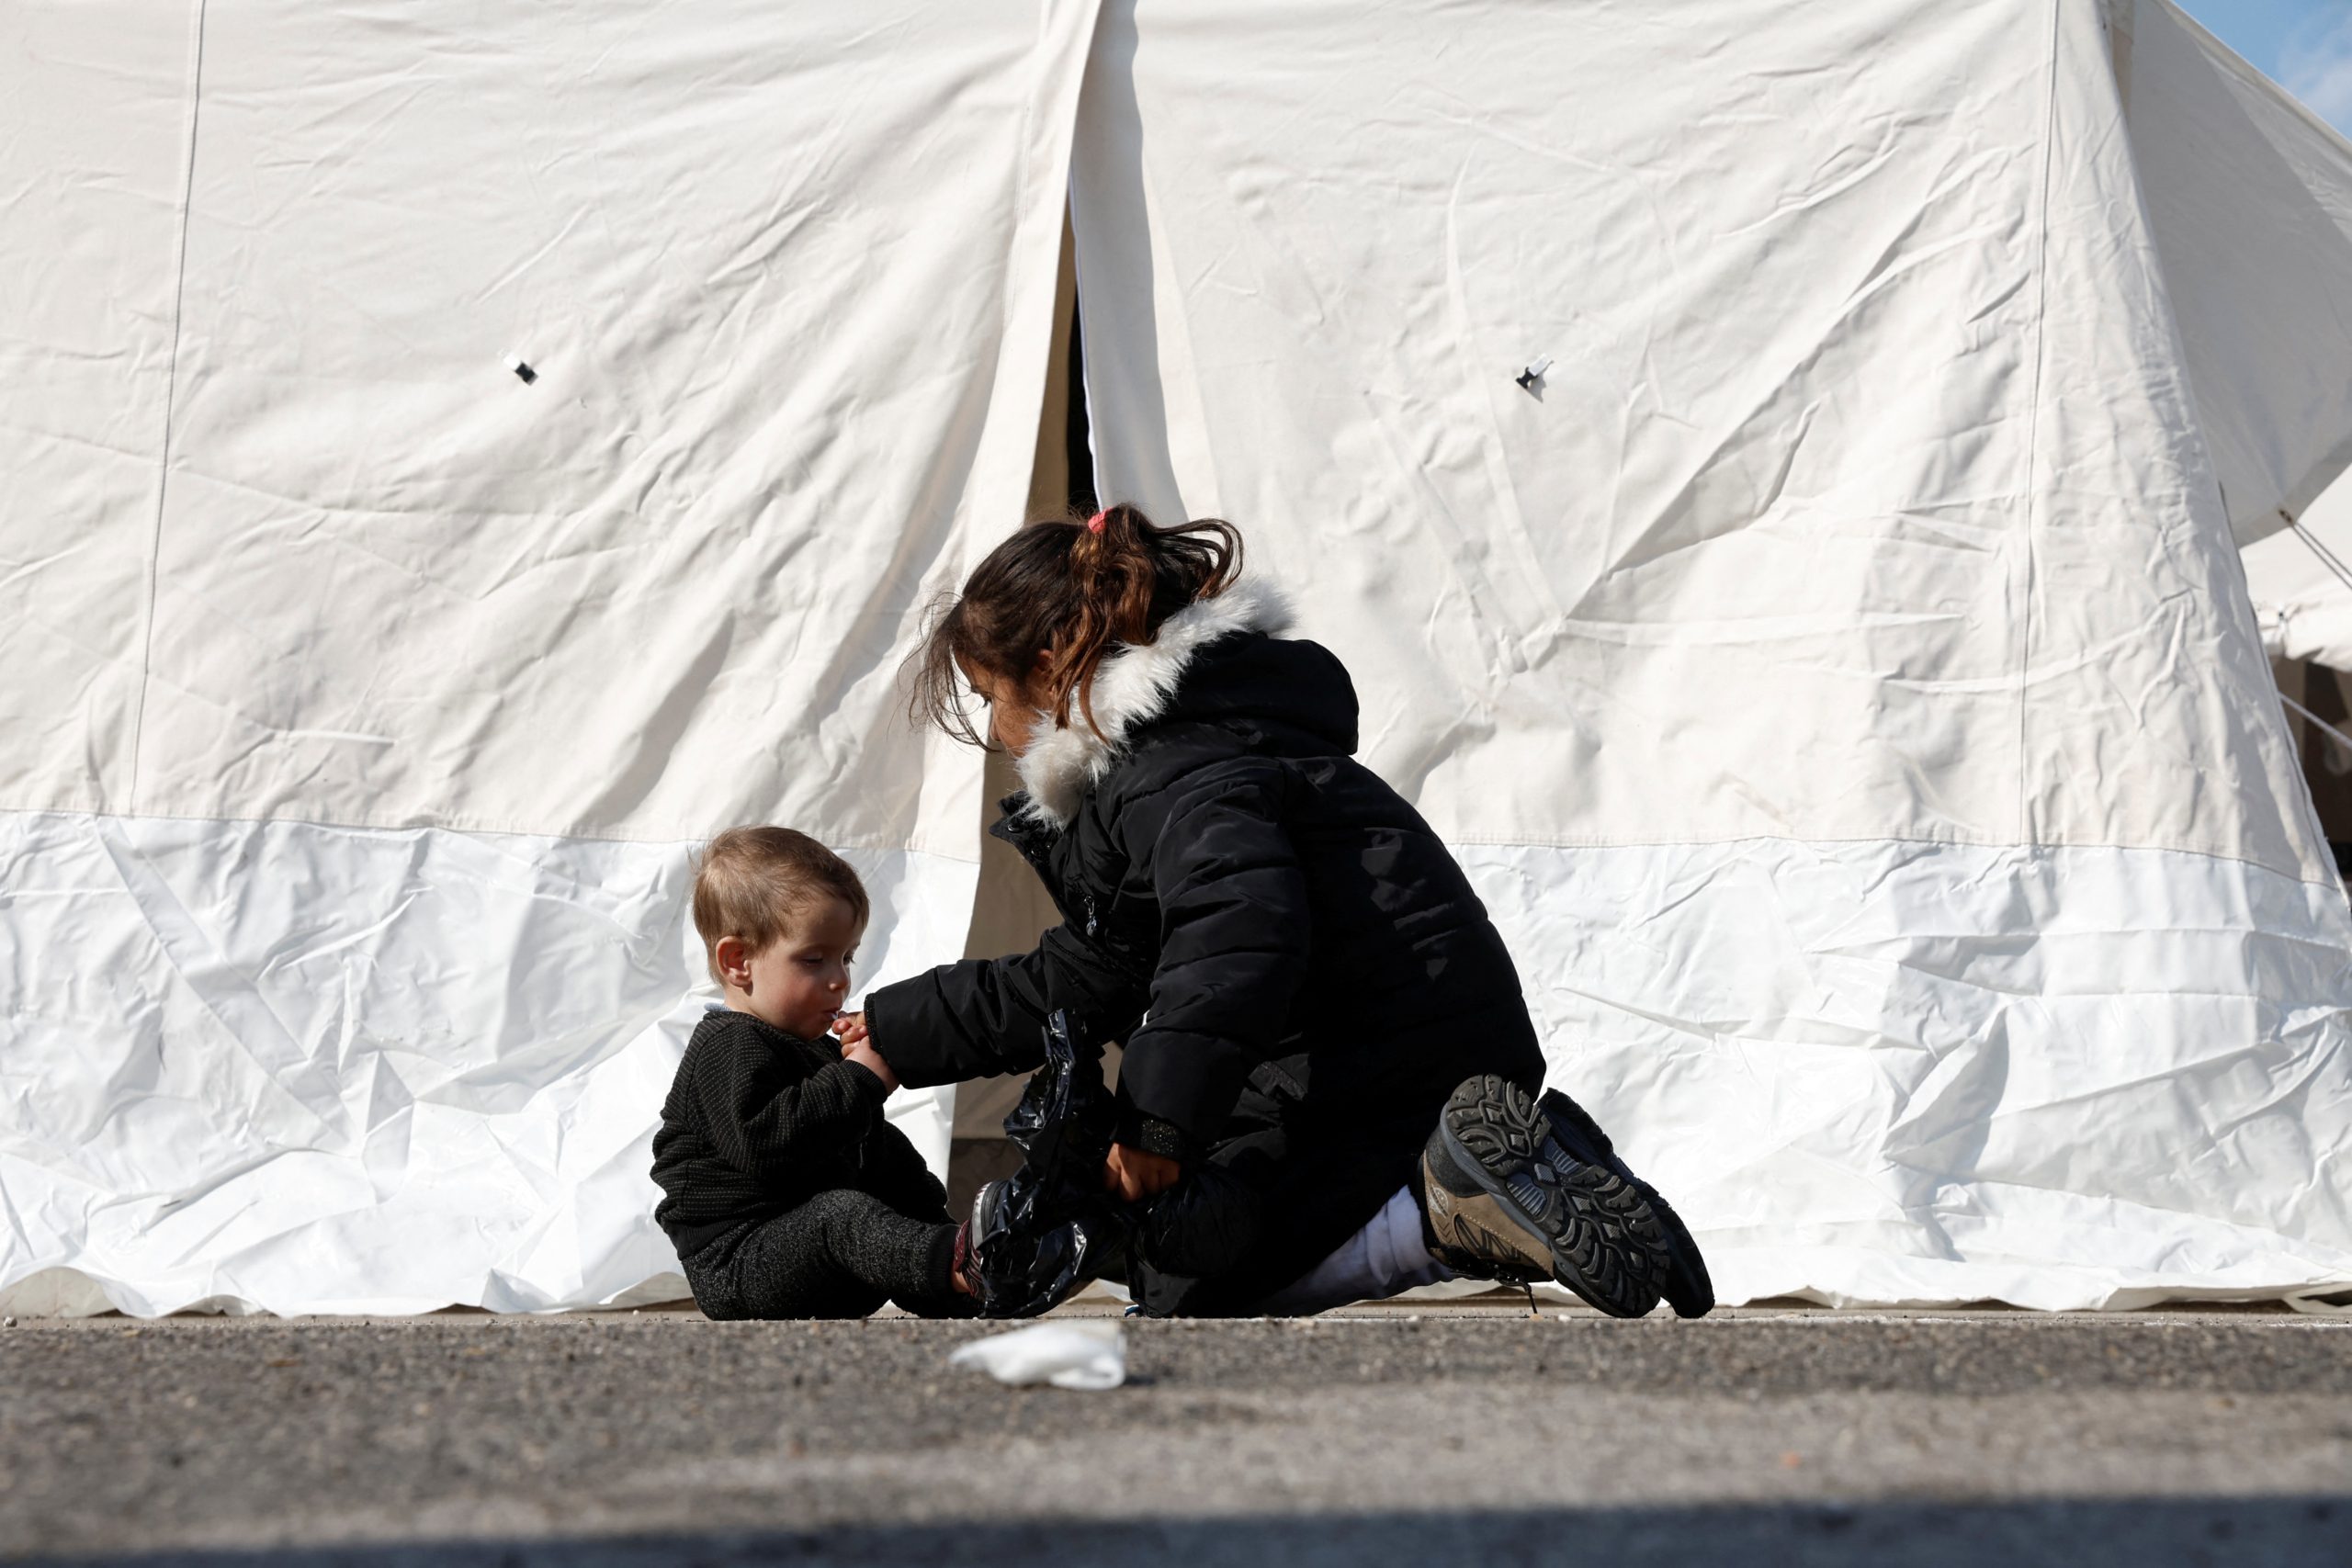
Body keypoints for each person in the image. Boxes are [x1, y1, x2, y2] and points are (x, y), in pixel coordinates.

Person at [834, 505, 1707, 1318]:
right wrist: (895, 1029)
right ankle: (1539, 1159)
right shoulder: (1209, 748)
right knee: (1185, 1225)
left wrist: (1158, 1126)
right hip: (1423, 1047)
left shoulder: (1174, 779)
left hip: (1367, 1066)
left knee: (1193, 1267)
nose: (997, 729)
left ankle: (1454, 1209)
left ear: (1055, 661)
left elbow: (1237, 938)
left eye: (993, 697)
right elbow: (1084, 973)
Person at [650, 827, 972, 1320]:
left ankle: (963, 1267)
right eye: (814, 959)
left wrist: (927, 1213)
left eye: (846, 957)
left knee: (875, 1165)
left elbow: (863, 1149)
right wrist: (857, 1081)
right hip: (741, 1263)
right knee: (839, 1215)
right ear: (739, 961)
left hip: (816, 1258)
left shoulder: (811, 1050)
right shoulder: (727, 1047)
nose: (840, 978)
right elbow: (768, 1146)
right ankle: (957, 1269)